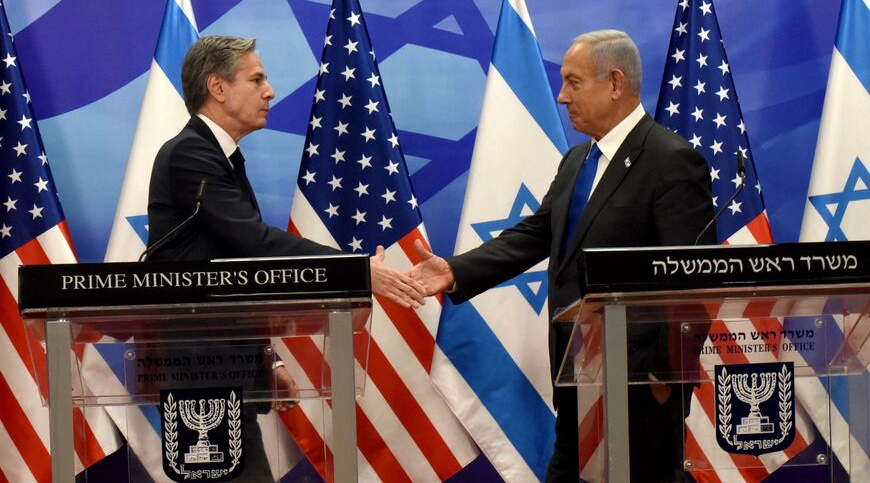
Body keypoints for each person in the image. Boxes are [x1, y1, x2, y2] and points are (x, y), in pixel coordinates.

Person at [408, 30, 715, 482]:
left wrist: (661, 380)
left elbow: (691, 285)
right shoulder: (577, 160)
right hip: (578, 381)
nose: (562, 96)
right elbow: (537, 233)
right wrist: (456, 270)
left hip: (640, 394)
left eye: (573, 82)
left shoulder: (670, 161)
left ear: (615, 83)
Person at [146, 35, 425, 482]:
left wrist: (267, 359)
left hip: (224, 366)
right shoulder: (190, 153)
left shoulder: (220, 156)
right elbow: (255, 243)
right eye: (256, 79)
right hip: (199, 371)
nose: (270, 91)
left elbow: (236, 272)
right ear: (218, 87)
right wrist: (353, 270)